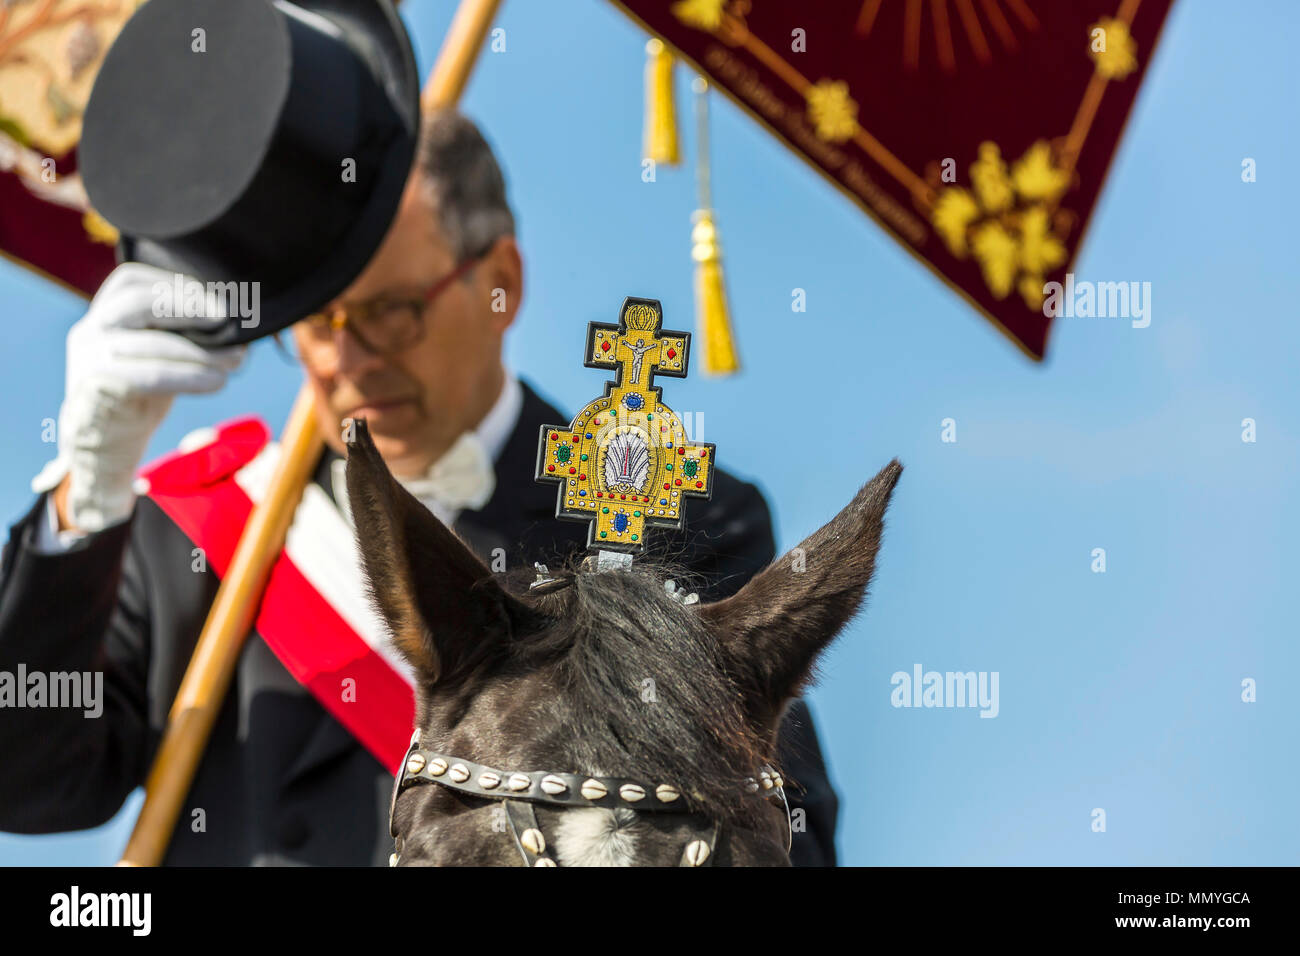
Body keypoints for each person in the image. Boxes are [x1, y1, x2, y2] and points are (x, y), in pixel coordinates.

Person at [0, 110, 839, 865]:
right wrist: (91, 491)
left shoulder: (673, 516)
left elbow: (787, 831)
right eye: (320, 319)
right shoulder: (192, 523)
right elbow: (26, 782)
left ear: (501, 280)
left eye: (393, 310)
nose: (349, 359)